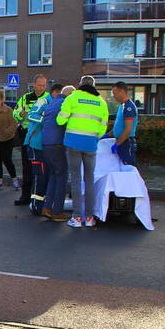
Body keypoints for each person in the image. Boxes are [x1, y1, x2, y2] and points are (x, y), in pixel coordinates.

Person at [57, 76, 107, 228]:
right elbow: (103, 128)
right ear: (94, 85)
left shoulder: (73, 97)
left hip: (73, 143)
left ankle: (77, 218)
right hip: (90, 144)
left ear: (80, 85)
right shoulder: (102, 102)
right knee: (89, 180)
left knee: (76, 180)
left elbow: (60, 120)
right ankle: (90, 217)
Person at [25, 84, 62, 215]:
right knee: (39, 175)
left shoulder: (59, 104)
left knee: (47, 175)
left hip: (48, 145)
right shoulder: (44, 101)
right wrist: (46, 121)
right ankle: (35, 204)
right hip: (36, 143)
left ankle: (44, 204)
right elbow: (30, 115)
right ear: (55, 92)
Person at [13, 74, 48, 205]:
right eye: (39, 85)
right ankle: (25, 196)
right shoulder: (25, 98)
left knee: (39, 168)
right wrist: (20, 114)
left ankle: (38, 196)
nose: (41, 87)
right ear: (34, 85)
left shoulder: (48, 98)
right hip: (26, 135)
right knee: (26, 167)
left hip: (41, 136)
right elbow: (15, 113)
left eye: (44, 85)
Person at [41, 85, 74, 221]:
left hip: (46, 144)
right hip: (57, 144)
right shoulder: (65, 104)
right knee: (61, 176)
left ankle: (47, 207)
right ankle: (57, 212)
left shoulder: (53, 102)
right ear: (69, 95)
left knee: (53, 175)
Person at [0, 92, 18, 190]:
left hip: (7, 139)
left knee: (7, 160)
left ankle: (14, 180)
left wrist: (8, 131)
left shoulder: (8, 110)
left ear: (2, 100)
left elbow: (14, 123)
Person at [111, 81, 138, 166]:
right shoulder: (122, 106)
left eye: (115, 93)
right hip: (122, 141)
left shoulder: (128, 107)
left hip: (126, 143)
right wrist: (108, 134)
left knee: (128, 166)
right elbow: (119, 125)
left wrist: (117, 144)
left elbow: (128, 129)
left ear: (122, 92)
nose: (114, 96)